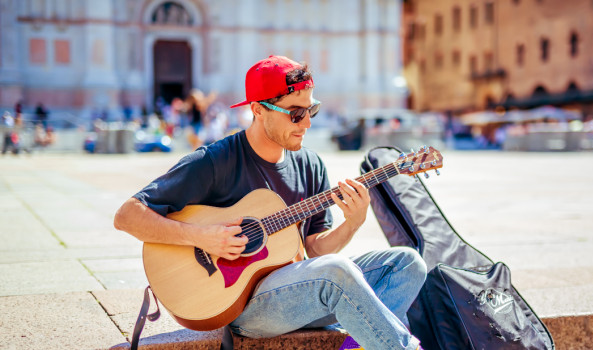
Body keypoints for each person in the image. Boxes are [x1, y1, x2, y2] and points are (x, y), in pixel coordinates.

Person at [113, 55, 425, 350]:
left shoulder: (310, 164)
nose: (307, 123)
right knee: (336, 271)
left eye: (311, 110)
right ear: (258, 109)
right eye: (296, 113)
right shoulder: (215, 161)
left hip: (299, 293)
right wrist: (202, 237)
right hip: (240, 305)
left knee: (408, 264)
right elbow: (127, 215)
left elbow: (315, 249)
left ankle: (357, 345)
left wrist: (353, 224)